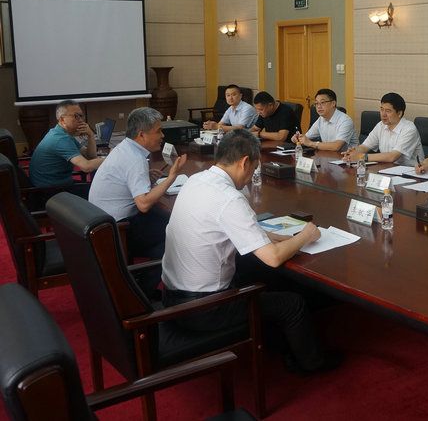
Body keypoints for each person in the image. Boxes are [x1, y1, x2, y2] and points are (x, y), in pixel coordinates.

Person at [161, 129, 339, 374]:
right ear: (245, 162)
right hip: (205, 309)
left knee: (257, 271)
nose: (251, 177)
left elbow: (238, 229)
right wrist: (306, 235)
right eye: (254, 168)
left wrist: (282, 238)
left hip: (172, 298)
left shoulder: (196, 180)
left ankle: (281, 343)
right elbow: (273, 258)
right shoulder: (229, 198)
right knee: (292, 303)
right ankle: (311, 364)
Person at [88, 107, 187, 295]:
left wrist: (145, 177)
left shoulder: (125, 148)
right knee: (175, 234)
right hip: (117, 230)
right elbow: (143, 204)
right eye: (158, 131)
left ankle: (144, 283)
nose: (162, 135)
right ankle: (142, 291)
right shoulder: (134, 159)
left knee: (167, 219)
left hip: (104, 222)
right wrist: (171, 177)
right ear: (142, 134)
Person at [29, 100, 104, 191]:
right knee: (101, 191)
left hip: (57, 185)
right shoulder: (60, 139)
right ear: (62, 120)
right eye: (76, 116)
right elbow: (86, 167)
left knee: (98, 189)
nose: (81, 120)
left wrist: (90, 135)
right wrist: (112, 158)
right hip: (50, 191)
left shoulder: (61, 133)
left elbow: (90, 156)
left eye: (81, 116)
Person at [341, 92, 424, 166]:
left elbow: (392, 156)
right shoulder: (381, 125)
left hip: (411, 172)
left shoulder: (409, 129)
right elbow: (365, 146)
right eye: (381, 109)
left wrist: (362, 157)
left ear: (399, 113)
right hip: (387, 169)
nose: (383, 114)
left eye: (388, 111)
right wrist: (353, 152)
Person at [291, 89, 357, 151]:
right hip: (328, 156)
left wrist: (310, 143)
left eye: (322, 102)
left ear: (333, 103)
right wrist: (298, 138)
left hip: (347, 157)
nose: (319, 106)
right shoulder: (321, 119)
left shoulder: (345, 121)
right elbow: (307, 137)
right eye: (316, 103)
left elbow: (336, 146)